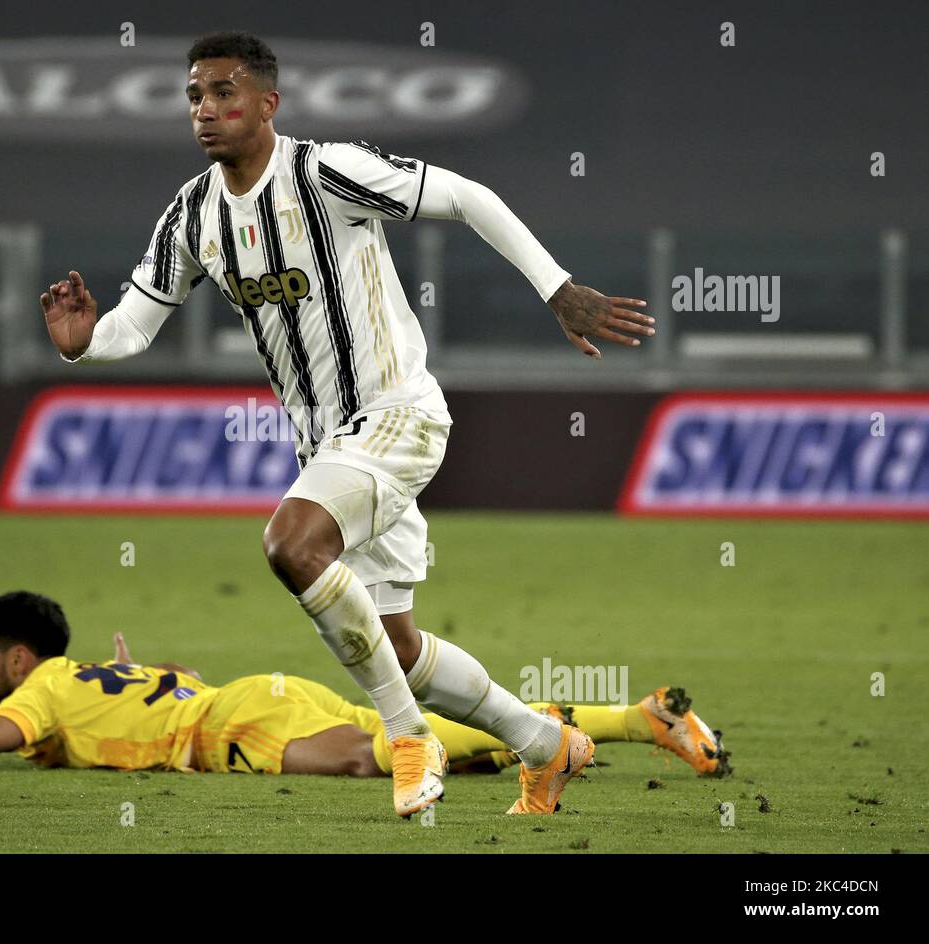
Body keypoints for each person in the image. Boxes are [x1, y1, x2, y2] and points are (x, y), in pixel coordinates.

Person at [38, 32, 656, 816]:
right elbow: (134, 323)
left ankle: (408, 738)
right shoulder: (193, 212)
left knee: (291, 545)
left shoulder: (325, 171)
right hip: (330, 445)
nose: (206, 110)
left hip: (399, 412)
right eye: (195, 95)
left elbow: (464, 195)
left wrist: (556, 287)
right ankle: (545, 744)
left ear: (269, 103)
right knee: (399, 646)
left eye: (225, 93)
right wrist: (85, 344)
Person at [0, 591, 731, 793]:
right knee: (432, 723)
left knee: (377, 757)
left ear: (22, 656)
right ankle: (638, 720)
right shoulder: (71, 684)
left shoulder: (44, 697)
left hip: (239, 720)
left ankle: (528, 751)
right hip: (257, 694)